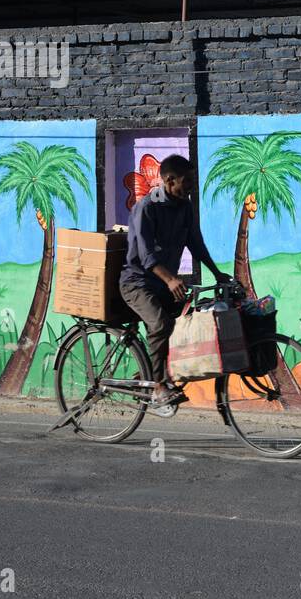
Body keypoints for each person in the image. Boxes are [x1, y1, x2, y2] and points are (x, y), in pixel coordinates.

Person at [119, 154, 228, 416]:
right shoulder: (147, 207)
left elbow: (196, 243)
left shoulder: (184, 206)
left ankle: (151, 373)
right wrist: (170, 279)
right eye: (186, 181)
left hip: (163, 284)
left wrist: (217, 273)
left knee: (190, 318)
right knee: (160, 324)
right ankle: (157, 386)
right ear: (169, 181)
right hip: (137, 283)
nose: (191, 185)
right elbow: (146, 257)